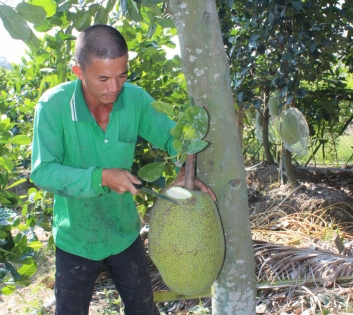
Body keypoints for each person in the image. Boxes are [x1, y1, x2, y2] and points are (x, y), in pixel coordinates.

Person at [31, 24, 215, 315]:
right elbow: (43, 172)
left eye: (122, 75)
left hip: (123, 232)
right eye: (103, 78)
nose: (114, 87)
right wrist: (100, 177)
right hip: (76, 238)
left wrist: (184, 168)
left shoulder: (135, 99)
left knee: (143, 309)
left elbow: (174, 138)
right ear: (78, 71)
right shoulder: (53, 107)